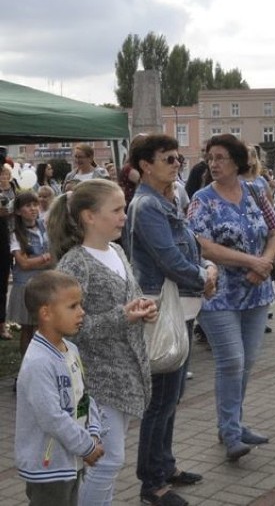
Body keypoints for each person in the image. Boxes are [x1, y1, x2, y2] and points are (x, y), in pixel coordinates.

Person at [49, 179, 158, 505]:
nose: (124, 215)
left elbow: (131, 299)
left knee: (105, 462)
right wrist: (122, 316)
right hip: (96, 380)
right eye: (117, 209)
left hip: (127, 373)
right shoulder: (75, 263)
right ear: (89, 217)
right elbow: (66, 329)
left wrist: (145, 308)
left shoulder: (118, 251)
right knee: (106, 460)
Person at [124, 134, 218, 504]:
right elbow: (169, 260)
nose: (177, 164)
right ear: (145, 165)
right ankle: (152, 484)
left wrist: (205, 269)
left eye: (178, 158)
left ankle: (165, 465)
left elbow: (189, 249)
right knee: (160, 400)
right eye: (168, 159)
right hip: (163, 308)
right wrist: (204, 277)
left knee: (173, 395)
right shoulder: (146, 206)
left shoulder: (166, 200)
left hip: (181, 308)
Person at [188, 134, 275, 460]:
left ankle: (234, 422)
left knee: (247, 362)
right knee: (231, 361)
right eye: (210, 157)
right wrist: (251, 261)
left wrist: (266, 262)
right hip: (219, 293)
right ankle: (230, 433)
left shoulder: (256, 191)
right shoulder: (202, 200)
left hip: (256, 291)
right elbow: (201, 244)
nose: (213, 164)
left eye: (220, 158)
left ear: (236, 161)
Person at [15, 271, 105, 506]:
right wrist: (86, 446)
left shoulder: (70, 350)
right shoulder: (39, 362)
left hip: (71, 461)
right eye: (73, 306)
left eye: (81, 304)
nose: (81, 311)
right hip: (48, 469)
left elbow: (83, 396)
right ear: (46, 313)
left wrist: (93, 433)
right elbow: (51, 417)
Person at [9, 191, 53, 359]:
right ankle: (25, 366)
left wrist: (42, 259)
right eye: (28, 206)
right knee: (27, 328)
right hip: (26, 286)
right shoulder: (16, 234)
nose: (33, 208)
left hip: (44, 283)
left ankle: (43, 363)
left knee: (43, 326)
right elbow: (24, 263)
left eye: (35, 205)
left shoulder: (44, 226)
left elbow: (53, 251)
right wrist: (44, 258)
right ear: (19, 211)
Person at [0, 165, 19, 340]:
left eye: (5, 173)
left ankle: (1, 325)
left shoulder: (13, 188)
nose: (3, 175)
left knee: (2, 284)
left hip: (5, 238)